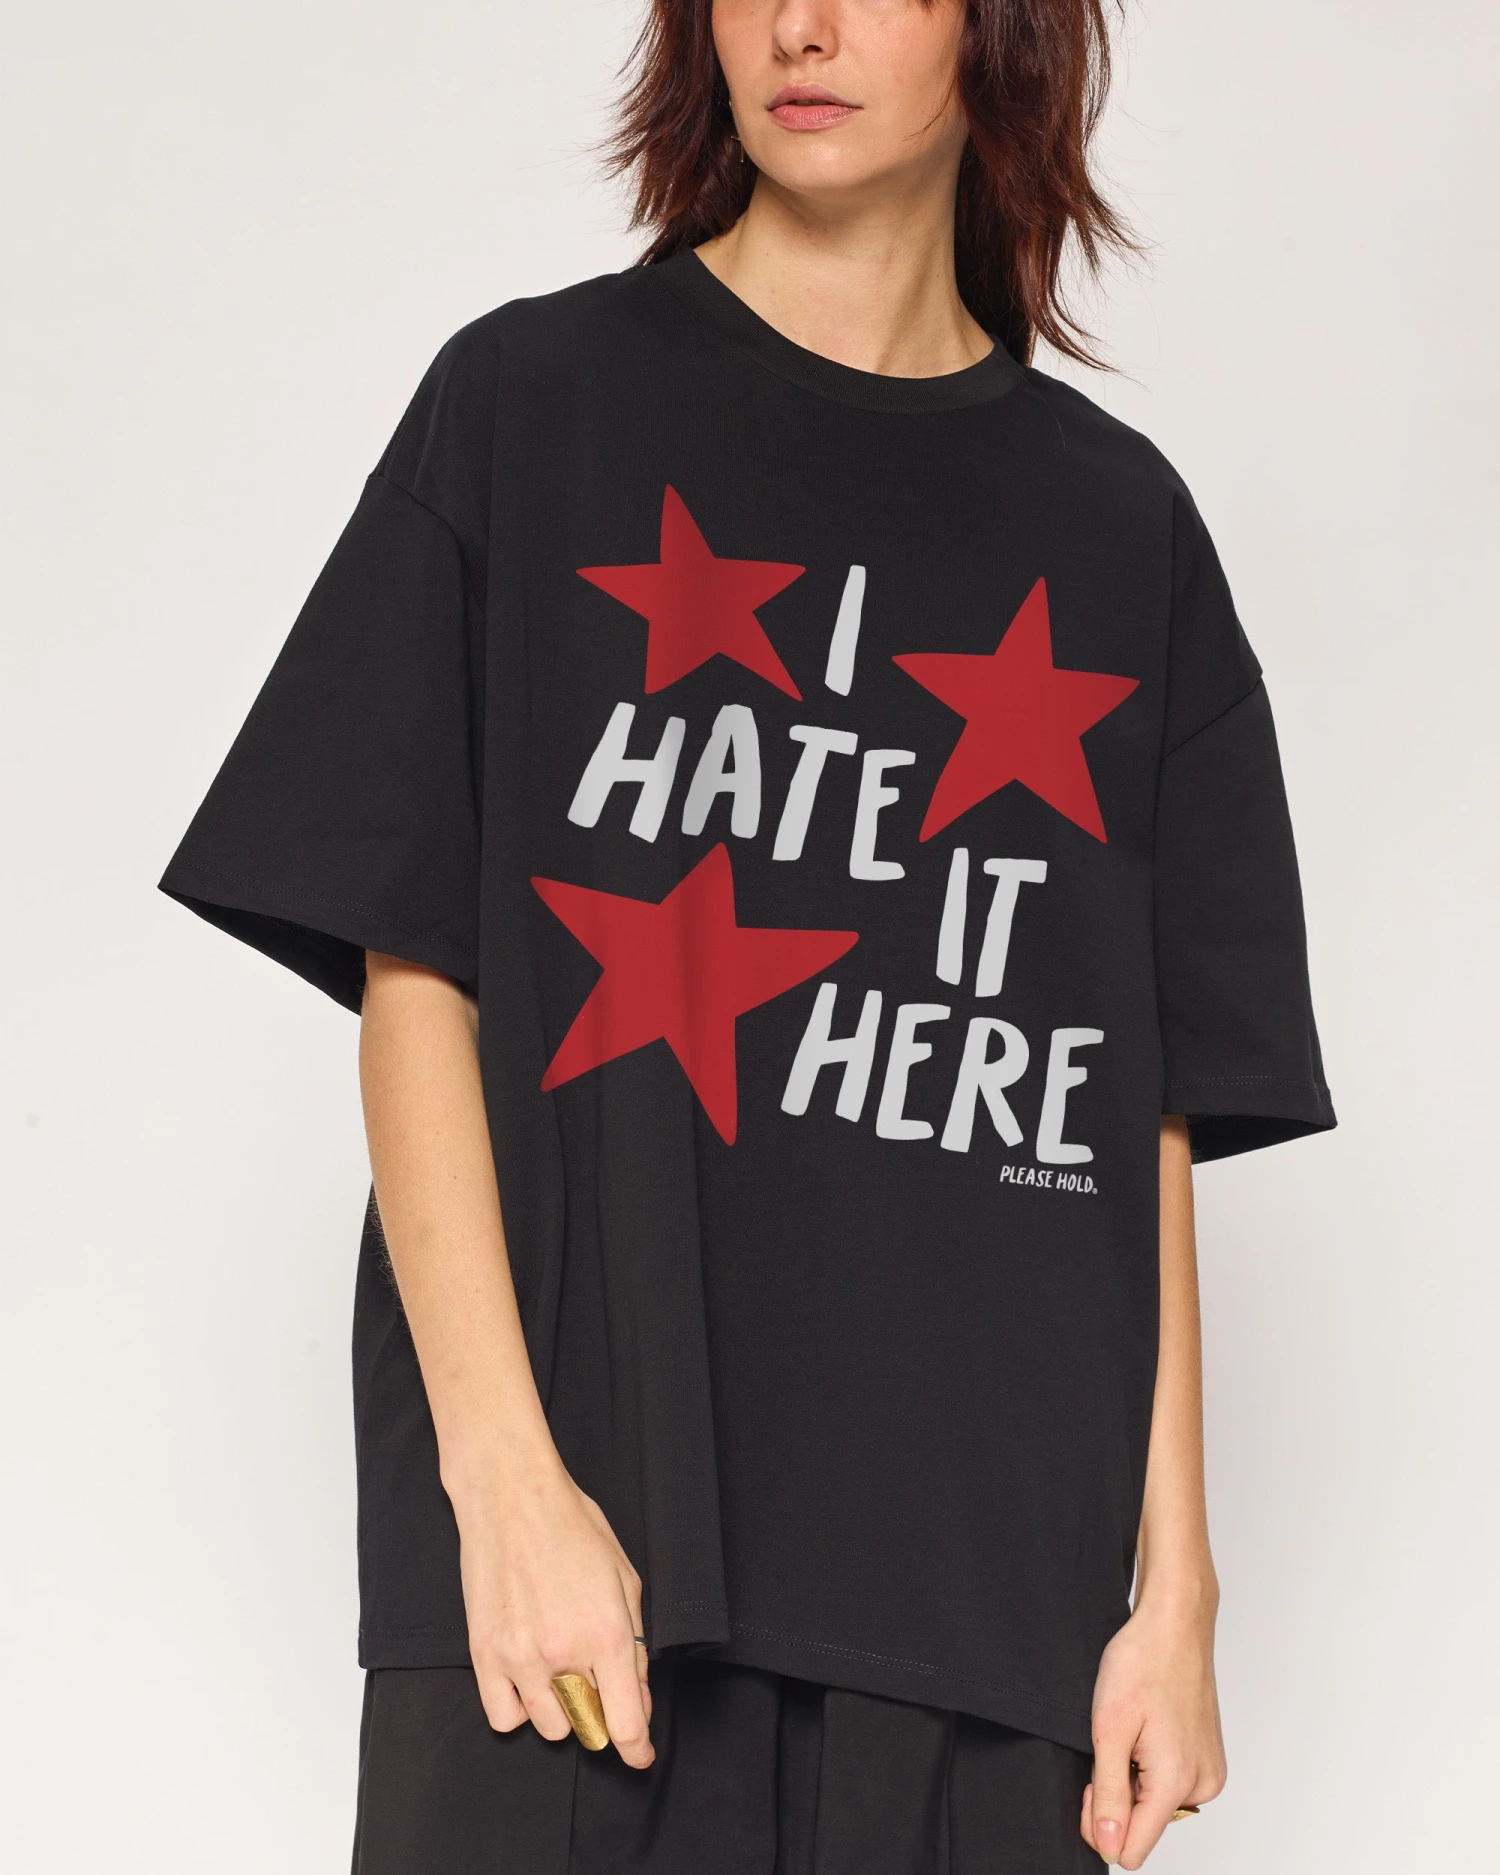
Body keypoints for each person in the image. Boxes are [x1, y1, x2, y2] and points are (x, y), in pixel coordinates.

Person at [161, 1, 1335, 1869]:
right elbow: (411, 967)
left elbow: (1143, 1107)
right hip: (589, 1598)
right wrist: (503, 1484)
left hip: (984, 1628)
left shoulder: (1125, 535)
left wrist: (1174, 1593)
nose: (799, 24)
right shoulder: (534, 408)